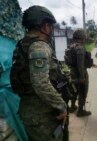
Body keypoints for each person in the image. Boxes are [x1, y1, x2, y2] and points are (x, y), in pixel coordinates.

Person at [10, 5, 67, 141]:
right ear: (45, 26)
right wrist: (61, 105)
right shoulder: (39, 46)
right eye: (50, 26)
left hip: (32, 111)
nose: (51, 30)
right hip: (42, 115)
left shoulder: (23, 44)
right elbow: (41, 83)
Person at [64, 29, 92, 117]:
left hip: (72, 72)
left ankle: (72, 106)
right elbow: (80, 65)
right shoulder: (80, 48)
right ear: (82, 37)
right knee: (83, 91)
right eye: (84, 36)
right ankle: (80, 110)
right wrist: (82, 77)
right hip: (80, 73)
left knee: (74, 90)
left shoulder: (71, 46)